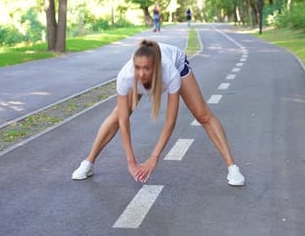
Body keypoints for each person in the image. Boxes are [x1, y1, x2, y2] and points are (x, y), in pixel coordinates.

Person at [72, 39, 245, 186]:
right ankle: (88, 162)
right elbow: (124, 121)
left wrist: (154, 157)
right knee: (117, 116)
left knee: (202, 114)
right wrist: (131, 162)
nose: (141, 73)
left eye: (146, 68)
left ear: (156, 67)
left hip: (177, 63)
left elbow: (170, 121)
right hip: (147, 76)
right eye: (137, 67)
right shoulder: (126, 76)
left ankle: (232, 167)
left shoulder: (170, 72)